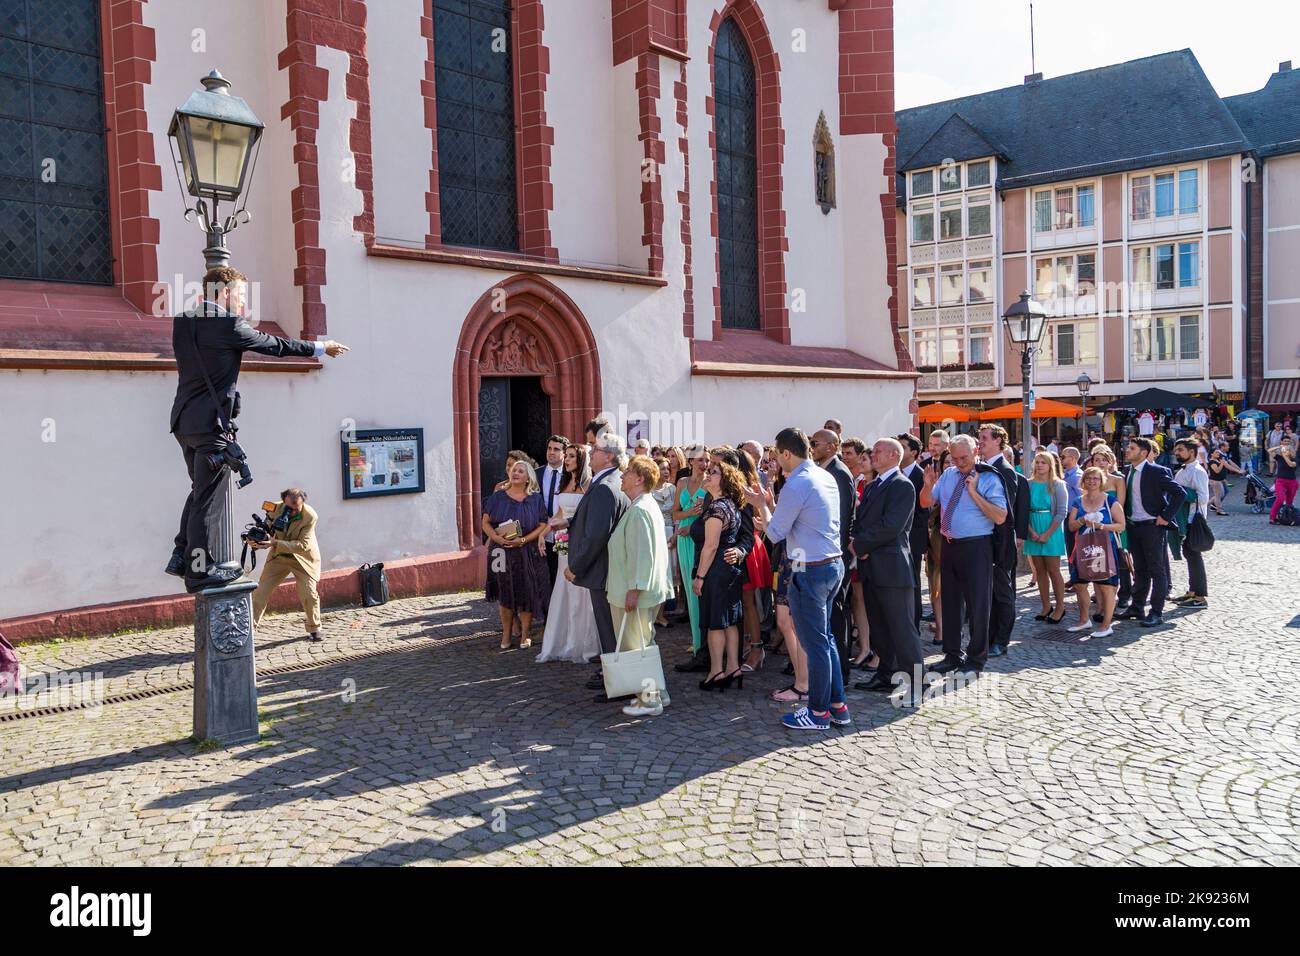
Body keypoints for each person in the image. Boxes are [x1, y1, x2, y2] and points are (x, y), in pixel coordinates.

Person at [168, 266, 349, 592]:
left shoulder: (183, 323)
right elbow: (275, 345)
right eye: (239, 294)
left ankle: (181, 557)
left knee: (199, 492)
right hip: (212, 428)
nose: (242, 302)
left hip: (184, 423)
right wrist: (321, 347)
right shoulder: (228, 325)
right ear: (223, 293)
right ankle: (199, 571)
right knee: (207, 502)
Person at [748, 428, 851, 731]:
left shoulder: (798, 482)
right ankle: (837, 705)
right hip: (831, 563)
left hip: (811, 568)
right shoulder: (823, 476)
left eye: (777, 456)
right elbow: (807, 520)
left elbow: (776, 533)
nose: (776, 462)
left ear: (786, 454)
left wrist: (763, 507)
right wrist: (771, 508)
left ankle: (818, 712)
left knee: (815, 643)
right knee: (826, 640)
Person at [920, 434, 1008, 676]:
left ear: (976, 451)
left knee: (978, 604)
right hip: (949, 545)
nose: (959, 463)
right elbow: (926, 502)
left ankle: (976, 659)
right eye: (955, 458)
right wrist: (928, 486)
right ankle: (952, 653)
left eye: (964, 458)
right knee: (950, 602)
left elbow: (1000, 516)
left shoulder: (988, 477)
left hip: (976, 546)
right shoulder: (948, 474)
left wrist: (974, 492)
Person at [852, 439, 924, 705]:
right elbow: (862, 522)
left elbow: (891, 525)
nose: (873, 454)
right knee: (880, 627)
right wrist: (858, 544)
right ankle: (886, 674)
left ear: (894, 455)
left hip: (892, 567)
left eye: (878, 451)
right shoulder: (874, 486)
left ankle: (917, 683)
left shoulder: (902, 485)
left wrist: (860, 544)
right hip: (871, 565)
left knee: (903, 629)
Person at [606, 455, 676, 716]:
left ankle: (650, 700)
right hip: (644, 589)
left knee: (635, 647)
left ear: (639, 478)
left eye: (626, 473)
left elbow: (641, 554)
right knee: (645, 642)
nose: (622, 477)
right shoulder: (645, 505)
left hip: (634, 591)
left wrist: (634, 589)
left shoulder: (639, 510)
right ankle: (658, 693)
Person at [566, 432, 631, 695]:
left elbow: (596, 536)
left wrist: (575, 567)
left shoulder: (606, 487)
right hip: (608, 569)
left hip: (603, 570)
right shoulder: (608, 481)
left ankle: (616, 681)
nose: (590, 453)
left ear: (609, 456)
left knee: (609, 629)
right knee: (610, 628)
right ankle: (611, 672)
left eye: (596, 449)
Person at [536, 447, 602, 664]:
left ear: (582, 459)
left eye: (572, 456)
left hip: (580, 540)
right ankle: (563, 640)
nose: (567, 460)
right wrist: (544, 532)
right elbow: (560, 513)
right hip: (562, 539)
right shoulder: (564, 483)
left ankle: (585, 642)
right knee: (564, 587)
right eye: (568, 456)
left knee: (581, 591)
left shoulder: (590, 484)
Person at [691, 460, 748, 692]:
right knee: (729, 619)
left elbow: (711, 546)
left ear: (723, 481)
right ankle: (733, 666)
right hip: (729, 569)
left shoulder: (717, 508)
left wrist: (700, 577)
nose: (707, 474)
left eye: (713, 473)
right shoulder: (730, 504)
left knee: (716, 622)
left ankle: (716, 670)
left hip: (716, 569)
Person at [481, 459, 551, 649]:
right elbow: (485, 522)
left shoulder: (535, 499)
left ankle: (525, 635)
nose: (516, 473)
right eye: (514, 470)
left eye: (521, 471)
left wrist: (524, 540)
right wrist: (496, 537)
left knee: (527, 592)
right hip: (501, 552)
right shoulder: (498, 497)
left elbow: (543, 524)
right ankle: (506, 633)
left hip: (526, 551)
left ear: (528, 477)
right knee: (505, 592)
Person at [1118, 437, 1184, 627]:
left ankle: (1156, 612)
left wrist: (1166, 516)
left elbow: (1179, 493)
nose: (1126, 450)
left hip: (1152, 526)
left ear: (1144, 453)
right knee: (1140, 569)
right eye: (1127, 447)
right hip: (1133, 525)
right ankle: (1137, 607)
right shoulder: (1127, 471)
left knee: (1157, 569)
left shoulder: (1156, 471)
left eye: (1131, 448)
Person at [977, 425, 1029, 657]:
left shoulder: (1004, 470)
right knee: (989, 594)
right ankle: (989, 638)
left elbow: (1004, 512)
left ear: (998, 441)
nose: (980, 442)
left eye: (984, 438)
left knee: (1003, 594)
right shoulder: (985, 467)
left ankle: (1001, 640)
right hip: (985, 541)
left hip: (999, 543)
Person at [811, 428, 856, 683]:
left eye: (815, 443)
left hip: (833, 555)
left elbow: (841, 519)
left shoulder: (837, 473)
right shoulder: (826, 471)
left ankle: (840, 671)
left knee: (836, 614)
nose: (811, 446)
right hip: (828, 554)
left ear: (831, 445)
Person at [249, 488, 323, 642]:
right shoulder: (274, 508)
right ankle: (248, 631)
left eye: (297, 508)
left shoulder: (310, 516)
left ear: (303, 502)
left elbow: (302, 545)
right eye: (290, 508)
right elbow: (267, 529)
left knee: (308, 594)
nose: (293, 512)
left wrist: (273, 542)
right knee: (260, 592)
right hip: (279, 556)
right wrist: (257, 541)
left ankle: (314, 628)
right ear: (284, 502)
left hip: (302, 559)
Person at [1065, 467, 1125, 639]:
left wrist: (1100, 526)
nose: (1092, 481)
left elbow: (1121, 526)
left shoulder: (1110, 501)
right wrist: (1083, 520)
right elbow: (1071, 526)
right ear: (1083, 481)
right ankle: (1084, 620)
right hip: (1084, 549)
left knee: (1107, 587)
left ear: (1101, 481)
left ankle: (1106, 625)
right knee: (1080, 584)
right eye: (1089, 478)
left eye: (1096, 479)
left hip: (1104, 549)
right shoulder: (1078, 501)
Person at [673, 445, 710, 670]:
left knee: (702, 590)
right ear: (690, 461)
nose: (704, 464)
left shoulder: (711, 483)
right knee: (690, 591)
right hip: (684, 540)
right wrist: (691, 514)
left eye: (707, 460)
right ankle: (698, 645)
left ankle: (706, 647)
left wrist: (697, 522)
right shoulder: (682, 484)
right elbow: (675, 513)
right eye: (700, 460)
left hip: (703, 539)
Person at [841, 438, 875, 668]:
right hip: (853, 547)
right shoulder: (855, 481)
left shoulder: (868, 484)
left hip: (865, 549)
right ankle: (863, 645)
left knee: (864, 599)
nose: (848, 457)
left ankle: (868, 647)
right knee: (855, 599)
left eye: (862, 457)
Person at [1024, 451, 1069, 624]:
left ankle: (1060, 607)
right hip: (1032, 529)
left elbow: (1061, 512)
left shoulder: (1058, 484)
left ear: (1051, 465)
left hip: (1051, 530)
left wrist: (1047, 533)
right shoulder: (1028, 484)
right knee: (1039, 570)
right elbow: (1023, 510)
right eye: (1037, 462)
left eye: (1043, 462)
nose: (1040, 465)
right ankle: (1045, 605)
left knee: (1053, 570)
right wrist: (1031, 532)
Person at [1171, 439, 1211, 609]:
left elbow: (1203, 497)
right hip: (1184, 519)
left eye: (1180, 450)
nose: (1177, 453)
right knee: (1189, 554)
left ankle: (1200, 596)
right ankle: (1192, 592)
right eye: (1176, 450)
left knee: (1194, 556)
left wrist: (1183, 493)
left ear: (1192, 451)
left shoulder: (1197, 471)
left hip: (1193, 520)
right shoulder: (1183, 470)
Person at [898, 434, 929, 630]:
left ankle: (914, 625)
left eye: (902, 447)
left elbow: (923, 510)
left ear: (913, 452)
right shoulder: (896, 473)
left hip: (914, 538)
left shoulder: (919, 475)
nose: (899, 451)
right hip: (897, 540)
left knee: (914, 583)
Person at [538, 435, 569, 589]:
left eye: (556, 449)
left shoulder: (570, 475)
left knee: (562, 573)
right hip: (541, 531)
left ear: (564, 453)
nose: (551, 452)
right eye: (549, 448)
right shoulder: (537, 473)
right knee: (544, 575)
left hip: (563, 529)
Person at [1207, 443, 1243, 515]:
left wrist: (1238, 471)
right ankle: (1219, 510)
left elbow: (1228, 466)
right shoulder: (1212, 462)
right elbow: (1217, 471)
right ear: (1212, 454)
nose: (1218, 454)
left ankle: (1205, 504)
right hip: (1215, 481)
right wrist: (1222, 463)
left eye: (1218, 452)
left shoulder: (1219, 460)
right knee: (1218, 495)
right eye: (1216, 452)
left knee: (1220, 494)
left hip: (1220, 480)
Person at [1269, 436, 1298, 523]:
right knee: (1280, 499)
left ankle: (1286, 517)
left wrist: (1285, 456)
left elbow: (1291, 465)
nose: (1287, 443)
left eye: (1288, 442)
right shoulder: (1279, 457)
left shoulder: (1295, 459)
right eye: (1285, 441)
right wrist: (1279, 446)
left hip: (1292, 482)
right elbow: (1269, 450)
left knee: (1289, 502)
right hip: (1280, 481)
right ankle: (1272, 517)